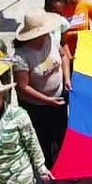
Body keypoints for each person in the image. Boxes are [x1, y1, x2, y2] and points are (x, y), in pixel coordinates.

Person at [11, 11, 71, 170]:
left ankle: (64, 163)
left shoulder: (51, 39)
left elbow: (63, 56)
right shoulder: (21, 56)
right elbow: (22, 87)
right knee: (42, 138)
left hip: (59, 97)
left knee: (62, 133)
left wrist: (67, 79)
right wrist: (47, 101)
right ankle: (47, 168)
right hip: (37, 106)